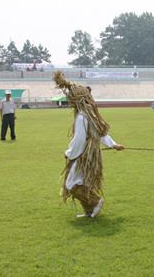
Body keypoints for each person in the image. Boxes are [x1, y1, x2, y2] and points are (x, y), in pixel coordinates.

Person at [54, 71, 125, 218]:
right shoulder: (90, 115)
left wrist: (69, 153)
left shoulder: (81, 117)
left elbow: (79, 140)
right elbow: (101, 133)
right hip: (90, 155)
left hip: (83, 156)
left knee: (71, 184)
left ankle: (95, 201)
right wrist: (113, 145)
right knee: (83, 183)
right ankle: (89, 211)